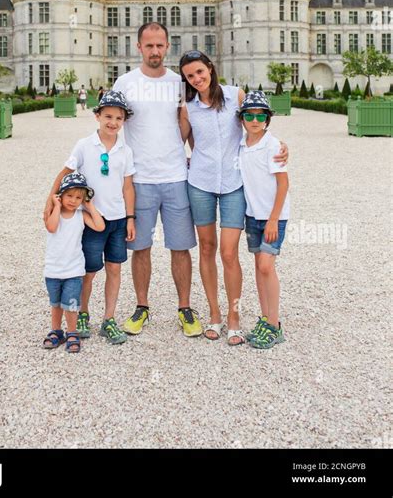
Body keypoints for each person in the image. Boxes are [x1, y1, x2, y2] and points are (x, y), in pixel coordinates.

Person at [179, 50, 288, 345]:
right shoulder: (188, 107)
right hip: (199, 183)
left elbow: (257, 125)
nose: (197, 79)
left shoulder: (235, 95)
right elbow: (177, 141)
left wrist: (280, 146)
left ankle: (234, 315)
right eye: (190, 76)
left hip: (233, 184)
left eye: (200, 72)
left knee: (228, 253)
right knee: (206, 249)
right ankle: (214, 314)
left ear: (211, 69)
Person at [113, 22, 202, 338]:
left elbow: (194, 125)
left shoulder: (180, 83)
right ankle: (142, 306)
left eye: (160, 45)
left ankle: (184, 307)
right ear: (138, 47)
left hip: (176, 176)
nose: (154, 51)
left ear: (168, 46)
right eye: (149, 46)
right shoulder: (124, 83)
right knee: (141, 247)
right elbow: (110, 127)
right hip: (139, 179)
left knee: (181, 248)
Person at [44, 91, 136, 344]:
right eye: (108, 116)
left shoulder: (125, 150)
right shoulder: (84, 145)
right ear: (97, 116)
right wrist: (48, 203)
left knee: (115, 269)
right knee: (88, 272)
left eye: (118, 118)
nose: (113, 122)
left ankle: (109, 319)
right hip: (93, 220)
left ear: (124, 121)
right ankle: (83, 313)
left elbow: (128, 186)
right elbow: (64, 173)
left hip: (117, 219)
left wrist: (130, 218)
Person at [238, 91, 290, 349]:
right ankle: (265, 317)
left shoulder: (272, 145)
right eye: (249, 115)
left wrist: (273, 219)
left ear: (268, 119)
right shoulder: (241, 144)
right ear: (242, 119)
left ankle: (275, 324)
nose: (255, 120)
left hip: (272, 219)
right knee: (259, 267)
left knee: (267, 267)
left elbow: (283, 184)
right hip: (252, 216)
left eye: (260, 116)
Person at [43, 172, 105, 354]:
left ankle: (72, 332)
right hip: (53, 270)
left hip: (73, 270)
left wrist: (90, 206)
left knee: (71, 305)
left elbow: (100, 226)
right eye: (69, 195)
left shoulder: (80, 215)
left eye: (78, 197)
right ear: (60, 195)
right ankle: (56, 331)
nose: (73, 200)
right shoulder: (53, 214)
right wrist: (55, 205)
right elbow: (52, 227)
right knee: (55, 304)